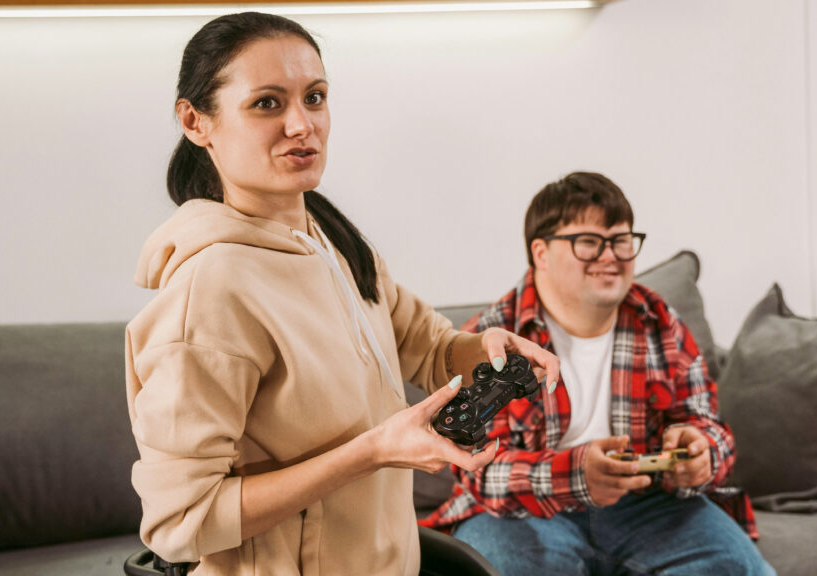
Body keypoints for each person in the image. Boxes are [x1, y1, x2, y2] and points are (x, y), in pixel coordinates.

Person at [123, 12, 560, 576]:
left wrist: (482, 350)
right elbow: (182, 521)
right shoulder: (210, 293)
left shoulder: (332, 240)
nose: (302, 125)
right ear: (195, 121)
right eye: (267, 103)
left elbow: (424, 346)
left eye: (315, 97)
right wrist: (373, 452)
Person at [420, 172, 774, 575]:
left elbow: (705, 422)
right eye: (589, 242)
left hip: (649, 503)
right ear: (541, 253)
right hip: (524, 513)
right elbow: (475, 471)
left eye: (621, 241)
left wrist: (702, 452)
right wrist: (575, 475)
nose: (612, 257)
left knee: (740, 568)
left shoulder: (658, 320)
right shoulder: (488, 338)